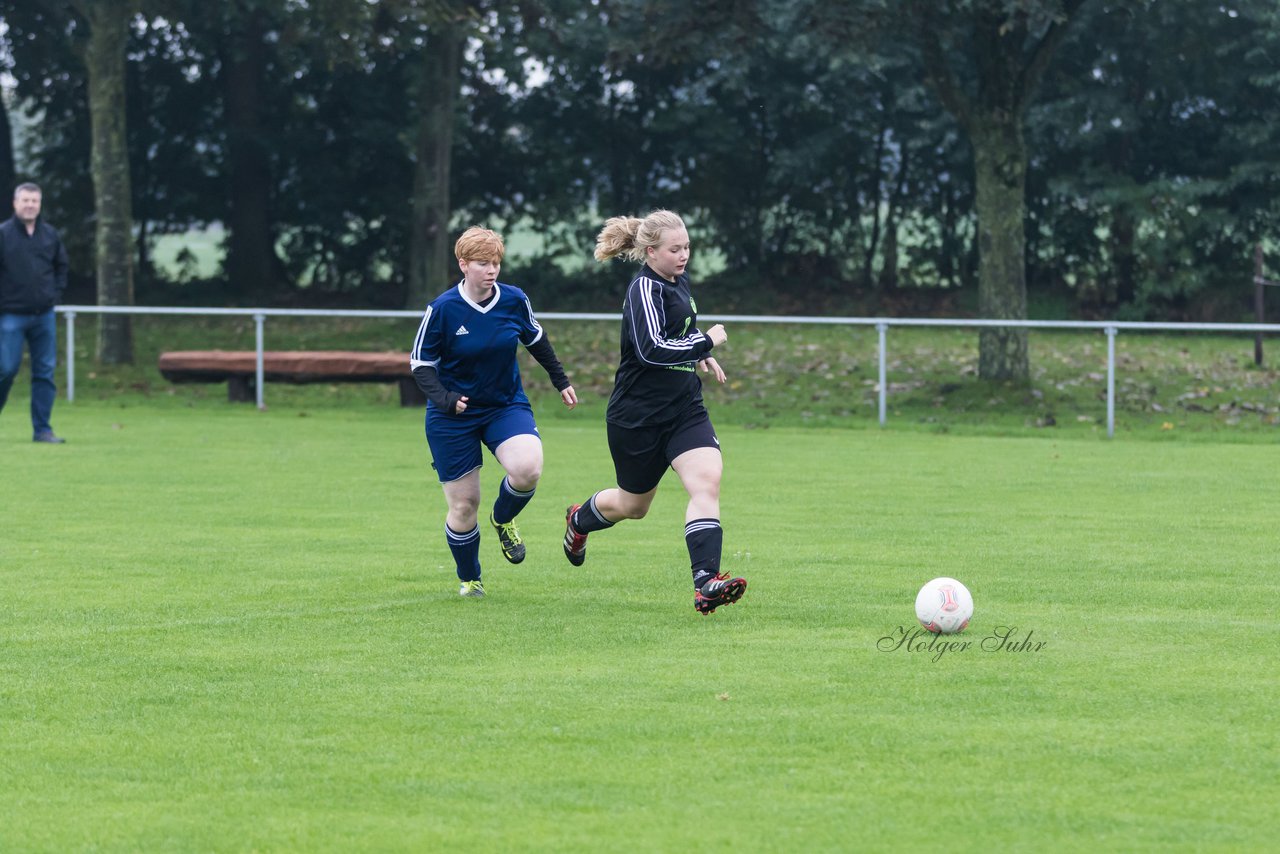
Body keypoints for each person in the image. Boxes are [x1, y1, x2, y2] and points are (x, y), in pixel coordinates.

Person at [562, 210, 747, 615]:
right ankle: (579, 520)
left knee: (706, 482)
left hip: (684, 410)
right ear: (650, 252)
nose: (684, 256)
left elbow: (678, 334)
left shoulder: (678, 281)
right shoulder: (642, 290)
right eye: (674, 249)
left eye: (687, 248)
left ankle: (706, 583)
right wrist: (705, 344)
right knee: (634, 507)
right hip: (637, 417)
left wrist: (699, 358)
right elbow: (652, 350)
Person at [410, 226, 577, 597]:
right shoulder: (442, 309)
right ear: (463, 264)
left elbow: (537, 340)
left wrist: (560, 380)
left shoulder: (514, 300)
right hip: (452, 415)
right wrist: (445, 398)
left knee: (528, 468)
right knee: (464, 504)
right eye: (483, 263)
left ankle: (503, 519)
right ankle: (471, 579)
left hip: (504, 405)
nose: (491, 270)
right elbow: (420, 364)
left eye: (496, 263)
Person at [0, 182, 69, 444]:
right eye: (25, 200)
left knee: (44, 372)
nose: (30, 205)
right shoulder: (4, 235)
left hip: (44, 315)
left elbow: (61, 266)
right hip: (10, 315)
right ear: (15, 203)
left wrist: (55, 295)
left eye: (35, 201)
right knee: (5, 370)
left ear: (40, 205)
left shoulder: (50, 235)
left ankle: (43, 430)